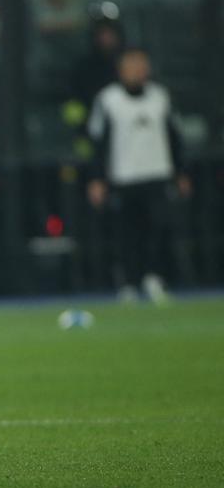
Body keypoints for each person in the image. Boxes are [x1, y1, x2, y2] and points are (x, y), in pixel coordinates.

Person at [87, 48, 191, 304]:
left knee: (159, 229)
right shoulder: (109, 99)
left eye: (141, 64)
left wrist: (180, 172)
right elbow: (98, 142)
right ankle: (129, 284)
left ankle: (155, 278)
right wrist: (98, 178)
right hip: (124, 176)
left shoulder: (160, 97)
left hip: (157, 173)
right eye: (131, 65)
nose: (137, 70)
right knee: (127, 234)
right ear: (121, 70)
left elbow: (174, 137)